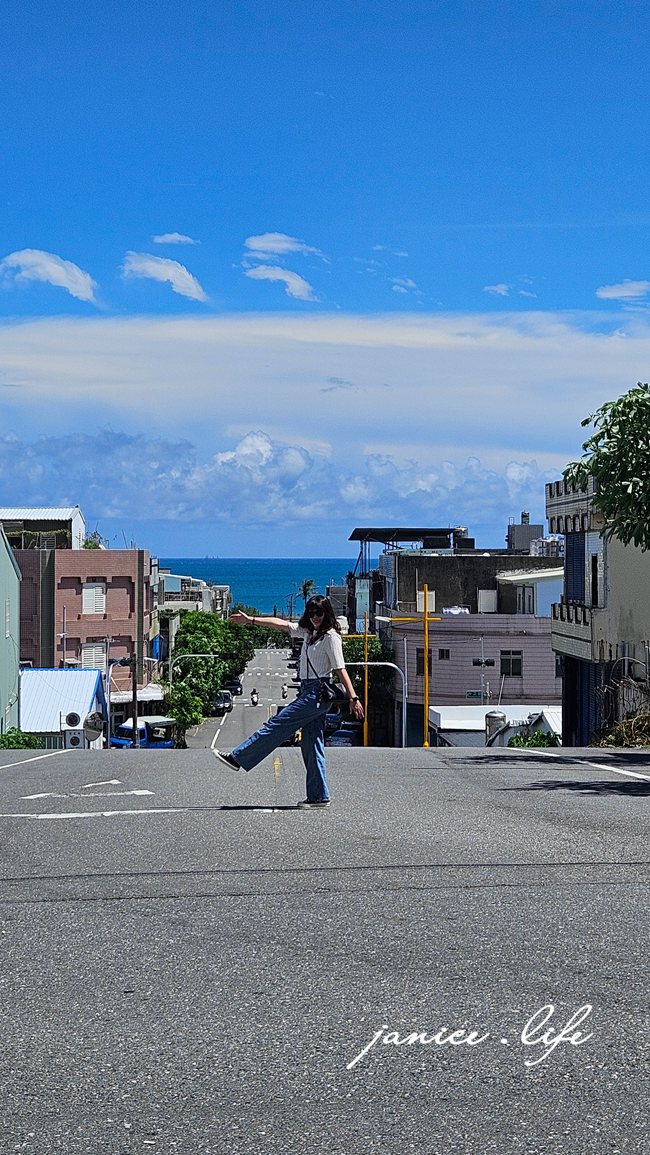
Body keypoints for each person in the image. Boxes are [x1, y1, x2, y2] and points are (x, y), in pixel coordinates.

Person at [215, 595, 364, 809]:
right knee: (312, 745)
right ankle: (319, 796)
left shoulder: (331, 637)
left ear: (327, 613)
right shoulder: (309, 633)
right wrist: (251, 620)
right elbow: (281, 625)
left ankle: (239, 758)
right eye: (311, 613)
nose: (314, 617)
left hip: (317, 693)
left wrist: (353, 697)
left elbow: (340, 669)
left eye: (319, 613)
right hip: (308, 691)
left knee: (277, 724)